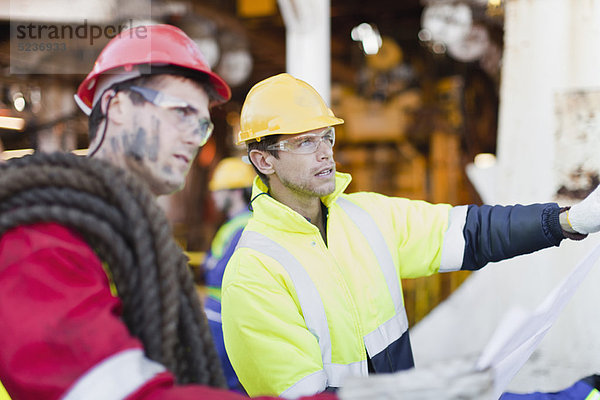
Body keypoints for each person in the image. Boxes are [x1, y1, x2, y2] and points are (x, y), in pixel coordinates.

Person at [0, 27, 335, 400]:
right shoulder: (36, 238)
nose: (195, 137)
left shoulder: (138, 241)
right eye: (180, 113)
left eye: (202, 124)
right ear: (117, 107)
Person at [221, 73, 600, 398]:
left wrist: (569, 220)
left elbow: (471, 232)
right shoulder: (254, 274)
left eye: (327, 137)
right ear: (264, 160)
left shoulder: (366, 216)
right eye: (306, 142)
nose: (326, 153)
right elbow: (306, 398)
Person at [203, 156, 255, 392]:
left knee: (229, 387)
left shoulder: (243, 228)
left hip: (226, 321)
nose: (213, 197)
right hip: (222, 318)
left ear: (234, 193)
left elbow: (217, 274)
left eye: (218, 191)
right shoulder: (235, 225)